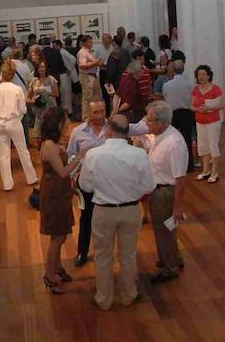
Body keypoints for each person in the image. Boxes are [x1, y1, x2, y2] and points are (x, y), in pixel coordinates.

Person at [79, 115, 155, 310]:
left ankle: (104, 298)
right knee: (128, 255)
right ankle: (129, 294)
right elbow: (149, 185)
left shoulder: (93, 155)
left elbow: (85, 186)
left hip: (103, 211)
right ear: (127, 131)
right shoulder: (139, 154)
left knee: (103, 256)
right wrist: (132, 193)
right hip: (131, 210)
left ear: (109, 130)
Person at [142, 101, 189, 284]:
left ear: (161, 122)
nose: (147, 123)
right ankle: (173, 258)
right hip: (159, 190)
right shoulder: (161, 136)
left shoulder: (173, 143)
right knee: (166, 230)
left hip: (165, 192)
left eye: (150, 121)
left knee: (164, 231)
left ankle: (170, 268)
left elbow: (180, 179)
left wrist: (178, 207)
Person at [37, 106, 75, 293]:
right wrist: (80, 157)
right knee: (58, 236)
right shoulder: (50, 146)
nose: (67, 123)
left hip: (58, 191)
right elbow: (62, 172)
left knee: (60, 233)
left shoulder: (52, 143)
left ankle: (57, 267)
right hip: (54, 194)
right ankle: (49, 275)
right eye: (64, 121)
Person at [67, 99, 109, 268]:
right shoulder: (77, 132)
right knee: (86, 218)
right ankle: (82, 252)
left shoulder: (112, 129)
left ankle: (104, 253)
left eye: (102, 111)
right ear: (88, 113)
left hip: (108, 181)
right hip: (87, 182)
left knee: (107, 219)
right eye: (95, 112)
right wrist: (73, 178)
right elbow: (71, 155)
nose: (99, 115)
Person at [0, 61, 37, 190]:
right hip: (14, 122)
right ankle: (31, 178)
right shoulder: (17, 89)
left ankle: (7, 184)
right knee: (22, 150)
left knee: (3, 154)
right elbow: (22, 109)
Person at [159, 56, 195, 174]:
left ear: (173, 69)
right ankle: (189, 165)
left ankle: (174, 165)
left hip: (173, 113)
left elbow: (166, 98)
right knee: (187, 139)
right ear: (183, 69)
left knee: (173, 139)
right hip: (187, 113)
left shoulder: (167, 85)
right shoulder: (190, 84)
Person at [191, 65, 223, 182]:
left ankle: (214, 172)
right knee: (203, 146)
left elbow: (221, 104)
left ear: (209, 76)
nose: (201, 77)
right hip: (200, 121)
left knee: (213, 146)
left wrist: (210, 108)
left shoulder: (216, 89)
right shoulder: (196, 89)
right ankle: (206, 170)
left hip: (213, 121)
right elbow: (191, 105)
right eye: (199, 74)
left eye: (203, 74)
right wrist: (197, 109)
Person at [114, 54, 148, 122]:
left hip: (123, 112)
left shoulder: (124, 78)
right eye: (142, 70)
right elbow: (128, 104)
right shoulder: (133, 84)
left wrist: (114, 109)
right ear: (137, 72)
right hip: (132, 114)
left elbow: (116, 95)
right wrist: (117, 112)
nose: (143, 72)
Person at [77, 35, 101, 118]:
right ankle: (86, 117)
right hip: (87, 76)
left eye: (91, 42)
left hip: (94, 75)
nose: (91, 43)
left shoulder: (90, 52)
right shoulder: (82, 52)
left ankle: (94, 115)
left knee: (96, 96)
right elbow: (83, 65)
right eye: (89, 42)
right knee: (87, 97)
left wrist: (98, 63)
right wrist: (95, 63)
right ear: (84, 43)